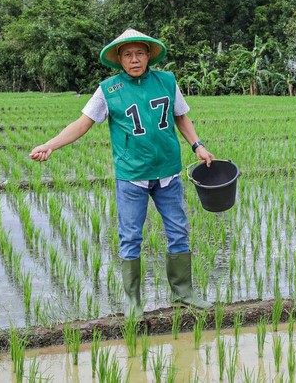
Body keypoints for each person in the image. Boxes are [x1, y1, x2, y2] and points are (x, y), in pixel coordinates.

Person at [30, 28, 214, 315]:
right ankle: (132, 302)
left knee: (178, 232)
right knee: (131, 237)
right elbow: (82, 123)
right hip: (132, 176)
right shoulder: (108, 89)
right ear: (119, 58)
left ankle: (183, 292)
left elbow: (181, 116)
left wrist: (198, 146)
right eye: (127, 54)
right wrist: (50, 145)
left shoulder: (166, 81)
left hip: (168, 173)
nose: (135, 59)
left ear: (149, 55)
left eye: (140, 53)